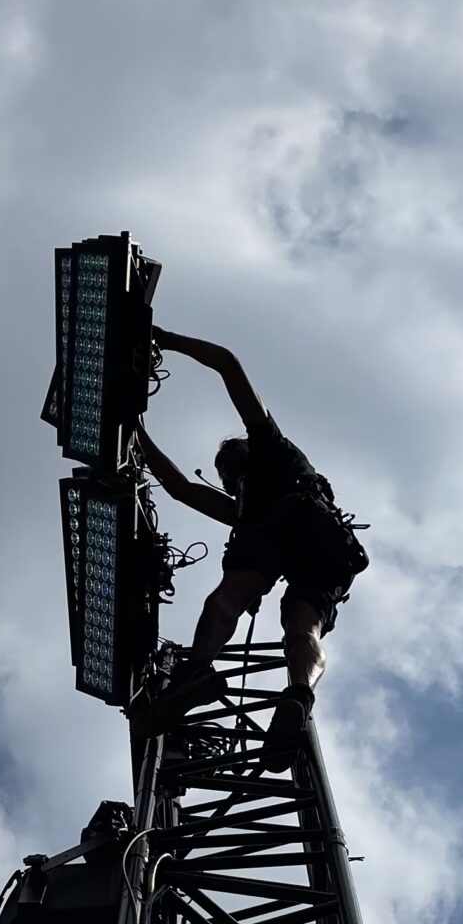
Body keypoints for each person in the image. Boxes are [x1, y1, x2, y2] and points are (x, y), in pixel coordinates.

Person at [136, 326, 365, 761]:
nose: (225, 473)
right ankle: (299, 695)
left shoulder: (269, 449)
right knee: (303, 629)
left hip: (292, 522)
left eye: (225, 466)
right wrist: (137, 433)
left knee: (228, 599)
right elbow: (181, 488)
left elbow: (227, 364)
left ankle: (198, 671)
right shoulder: (246, 504)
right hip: (329, 545)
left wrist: (166, 339)